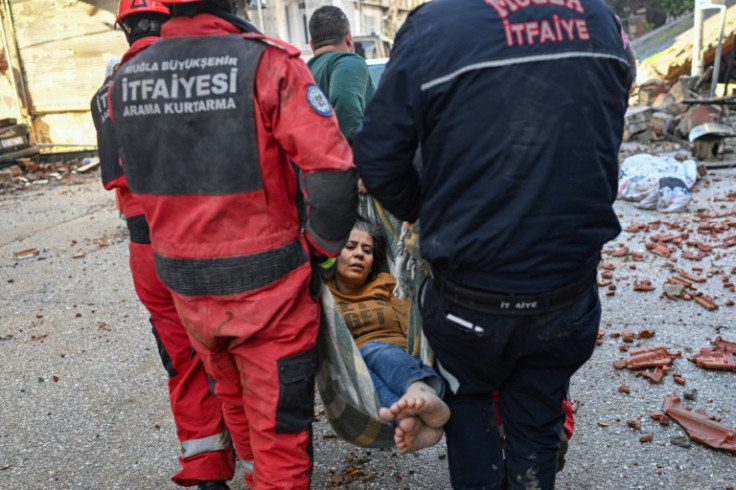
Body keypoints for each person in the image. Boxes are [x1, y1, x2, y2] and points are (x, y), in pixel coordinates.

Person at [352, 0, 633, 487]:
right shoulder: (601, 20)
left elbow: (375, 157)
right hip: (566, 295)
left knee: (471, 413)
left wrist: (425, 210)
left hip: (469, 300)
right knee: (537, 429)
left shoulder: (436, 25)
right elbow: (602, 127)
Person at [106, 0, 358, 488]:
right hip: (269, 295)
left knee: (235, 405)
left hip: (185, 290)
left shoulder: (127, 79)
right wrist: (321, 251)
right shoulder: (267, 63)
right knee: (280, 438)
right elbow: (330, 172)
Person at [90, 2, 236, 488]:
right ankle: (265, 465)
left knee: (182, 358)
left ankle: (206, 470)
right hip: (203, 236)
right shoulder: (190, 74)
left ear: (125, 27)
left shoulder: (106, 91)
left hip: (144, 249)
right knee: (235, 352)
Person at [326, 218, 449, 454]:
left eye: (367, 250)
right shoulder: (323, 294)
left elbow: (411, 326)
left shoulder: (386, 283)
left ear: (373, 262)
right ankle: (410, 421)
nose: (359, 254)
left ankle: (420, 388)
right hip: (355, 371)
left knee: (372, 350)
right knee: (365, 369)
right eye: (350, 247)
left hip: (399, 359)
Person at [307, 5, 375, 145]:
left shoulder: (304, 72)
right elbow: (344, 99)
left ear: (312, 44)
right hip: (350, 163)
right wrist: (362, 149)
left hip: (313, 164)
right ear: (348, 38)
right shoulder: (347, 61)